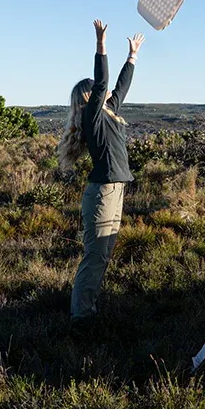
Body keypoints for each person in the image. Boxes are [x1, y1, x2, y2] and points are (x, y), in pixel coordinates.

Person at [57, 19, 145, 322]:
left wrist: (132, 56)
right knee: (95, 256)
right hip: (103, 192)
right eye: (97, 91)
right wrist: (100, 45)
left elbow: (119, 87)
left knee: (103, 255)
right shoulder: (93, 118)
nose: (104, 93)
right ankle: (81, 317)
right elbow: (105, 82)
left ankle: (89, 307)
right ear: (89, 98)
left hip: (115, 189)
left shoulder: (110, 113)